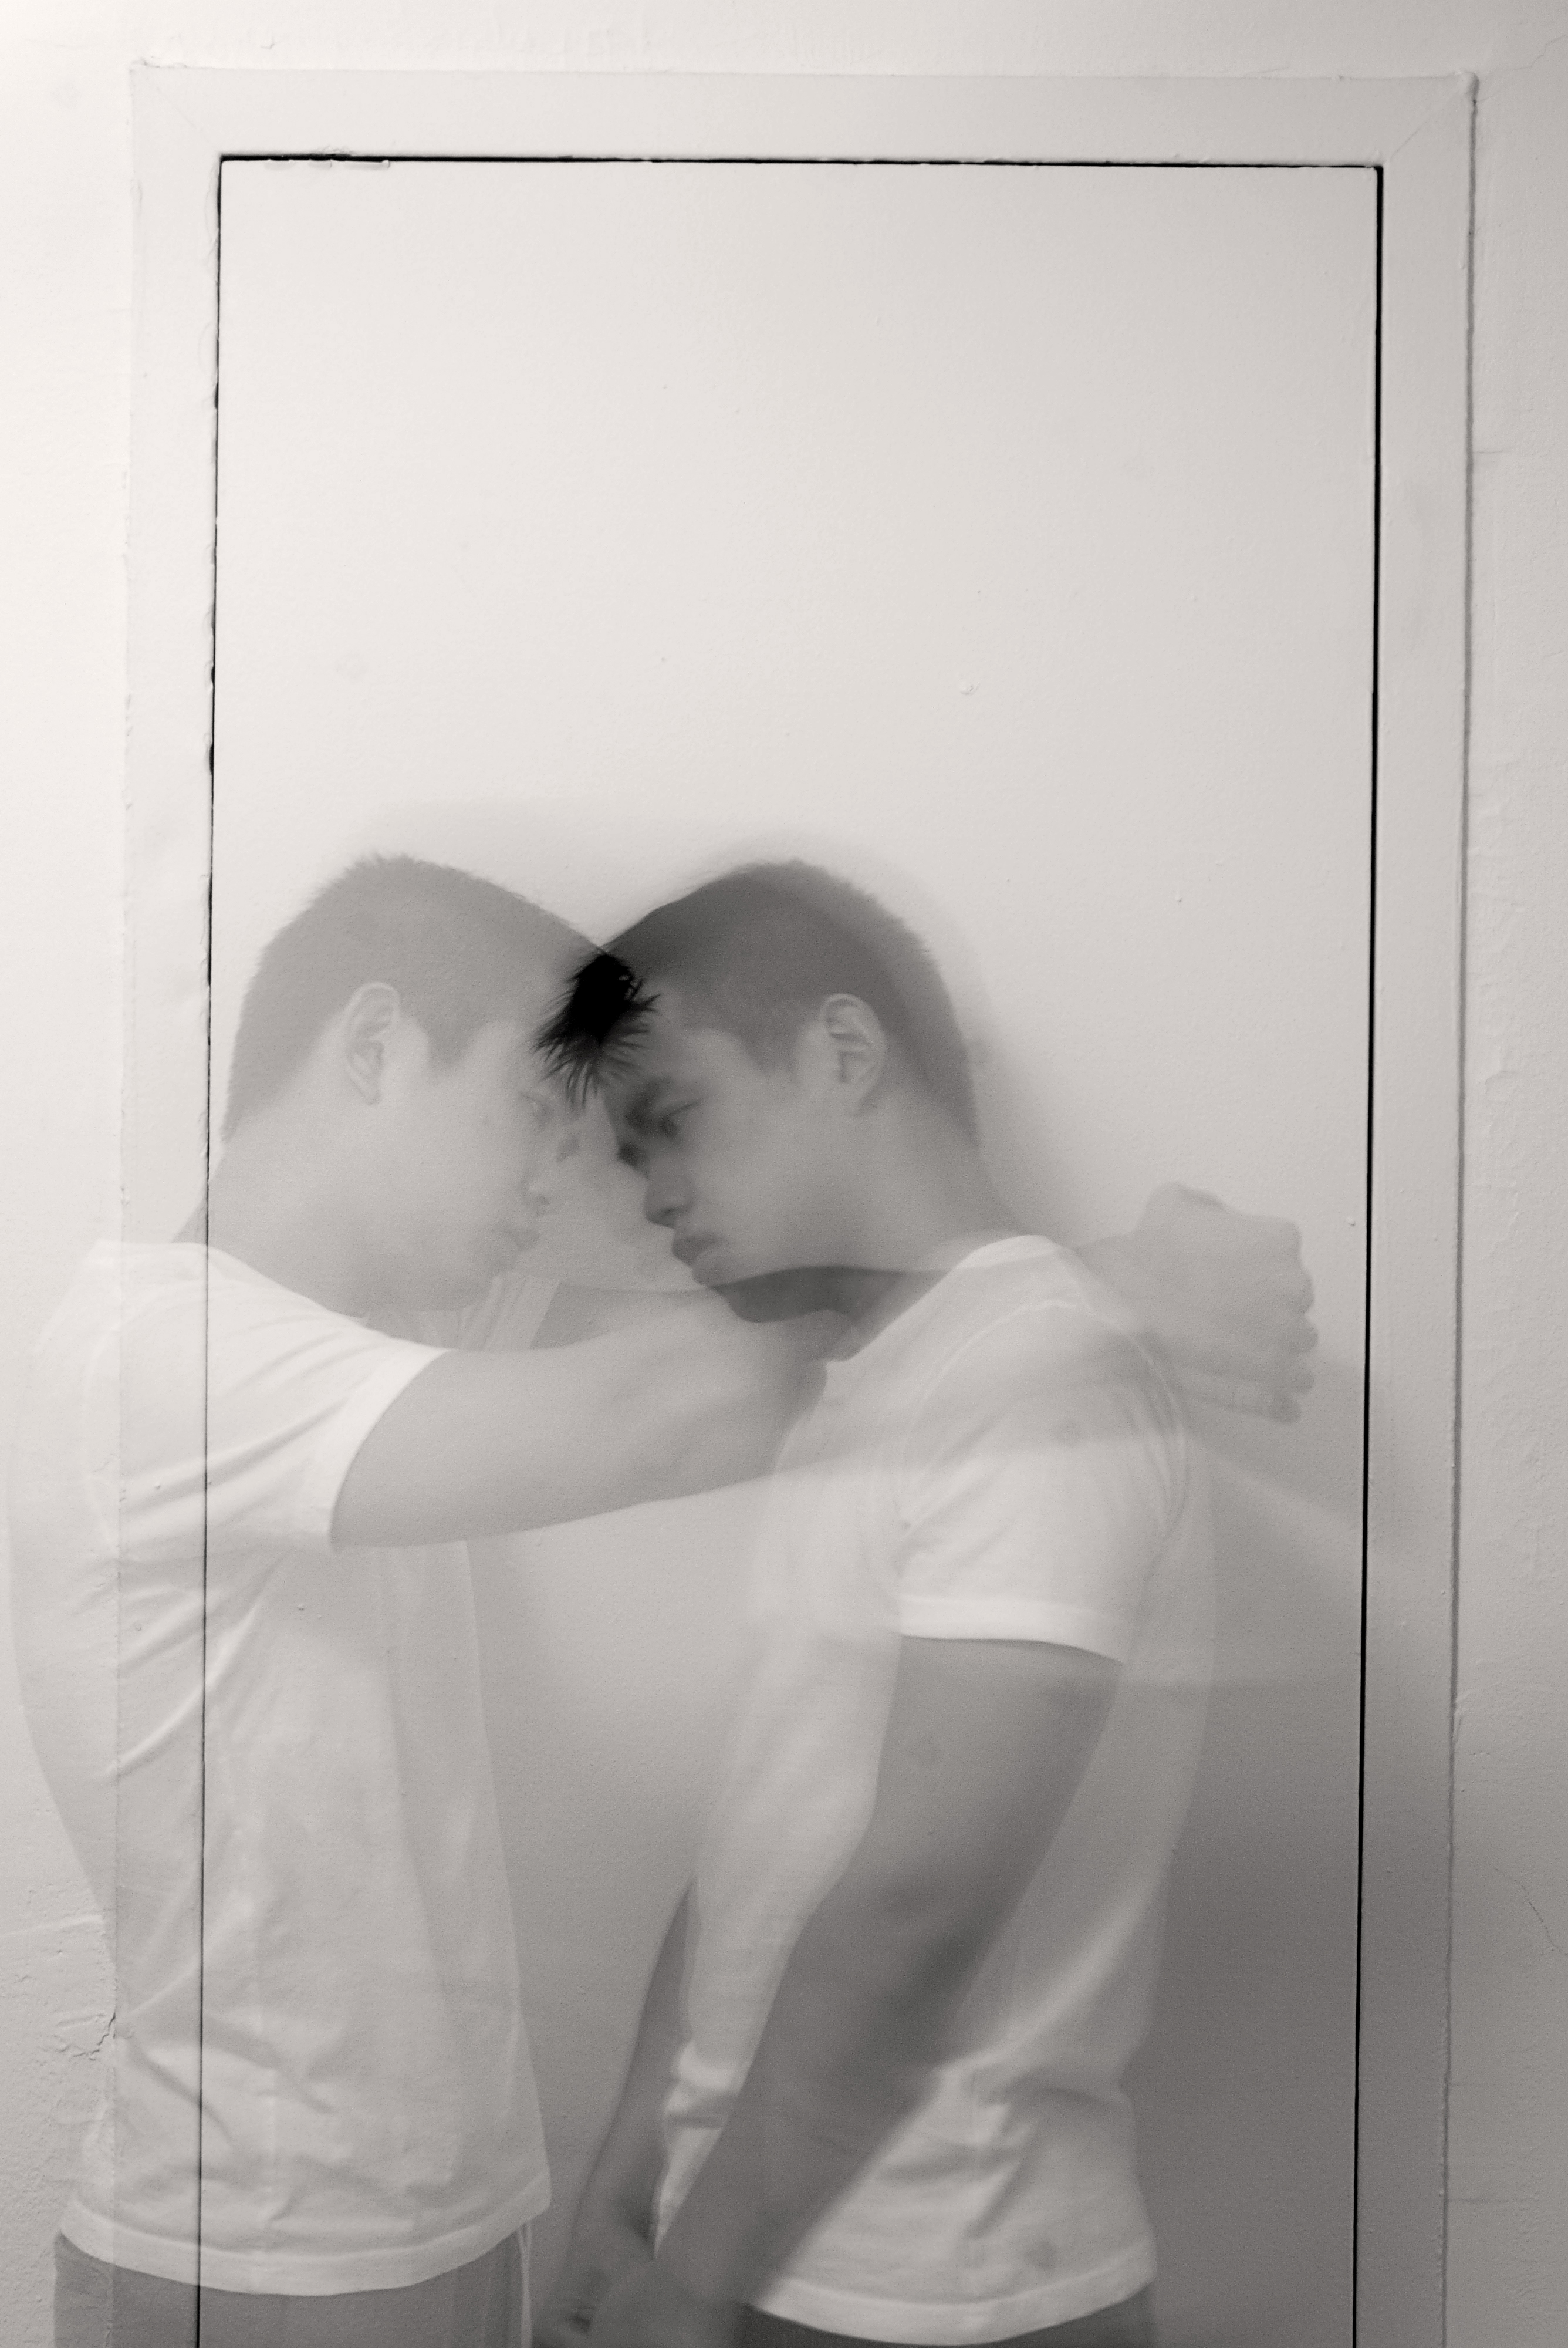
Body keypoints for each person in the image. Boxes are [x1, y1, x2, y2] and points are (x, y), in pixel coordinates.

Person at [9, 855, 1310, 2348]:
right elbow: (665, 1412)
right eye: (529, 1109)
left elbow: (772, 1322)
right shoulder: (159, 1356)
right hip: (251, 2252)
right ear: (372, 1046)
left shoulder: (388, 1343)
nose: (558, 1179)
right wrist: (1091, 1282)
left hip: (429, 2225)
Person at [536, 862, 1279, 2348]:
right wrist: (629, 2178)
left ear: (844, 1049)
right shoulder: (886, 1380)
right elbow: (760, 1844)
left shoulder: (1038, 1370)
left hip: (935, 2283)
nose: (651, 1192)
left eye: (674, 1116)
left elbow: (916, 1903)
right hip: (783, 2254)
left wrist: (691, 2284)